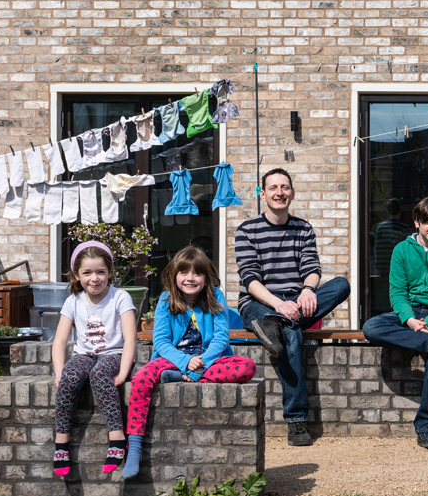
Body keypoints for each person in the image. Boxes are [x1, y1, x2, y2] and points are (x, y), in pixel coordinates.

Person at [236, 167, 351, 446]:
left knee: (341, 285)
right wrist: (279, 305)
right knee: (293, 333)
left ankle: (279, 324)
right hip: (258, 304)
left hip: (295, 301)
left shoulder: (303, 228)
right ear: (262, 194)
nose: (280, 193)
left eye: (284, 187)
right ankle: (296, 421)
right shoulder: (247, 230)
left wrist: (308, 290)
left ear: (292, 192)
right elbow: (250, 280)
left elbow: (312, 267)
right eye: (273, 188)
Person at [121, 246, 257, 479]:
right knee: (141, 378)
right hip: (172, 359)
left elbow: (221, 337)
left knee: (247, 367)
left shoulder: (216, 297)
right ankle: (133, 447)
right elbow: (161, 341)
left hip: (209, 360)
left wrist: (199, 365)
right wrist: (185, 363)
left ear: (206, 277)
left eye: (197, 273)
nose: (190, 278)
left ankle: (178, 377)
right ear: (175, 275)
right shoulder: (166, 299)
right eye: (184, 272)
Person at [361, 196, 428, 450]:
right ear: (417, 222)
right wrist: (409, 320)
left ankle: (426, 428)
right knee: (371, 327)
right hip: (411, 313)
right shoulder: (401, 250)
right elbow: (397, 292)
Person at [51, 241, 137, 476]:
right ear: (77, 275)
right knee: (69, 377)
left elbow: (130, 338)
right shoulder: (73, 301)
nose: (94, 278)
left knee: (99, 375)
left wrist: (122, 372)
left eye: (100, 272)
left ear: (109, 273)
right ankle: (61, 444)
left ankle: (117, 437)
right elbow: (59, 342)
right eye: (87, 273)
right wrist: (60, 373)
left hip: (113, 354)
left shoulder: (120, 297)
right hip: (84, 355)